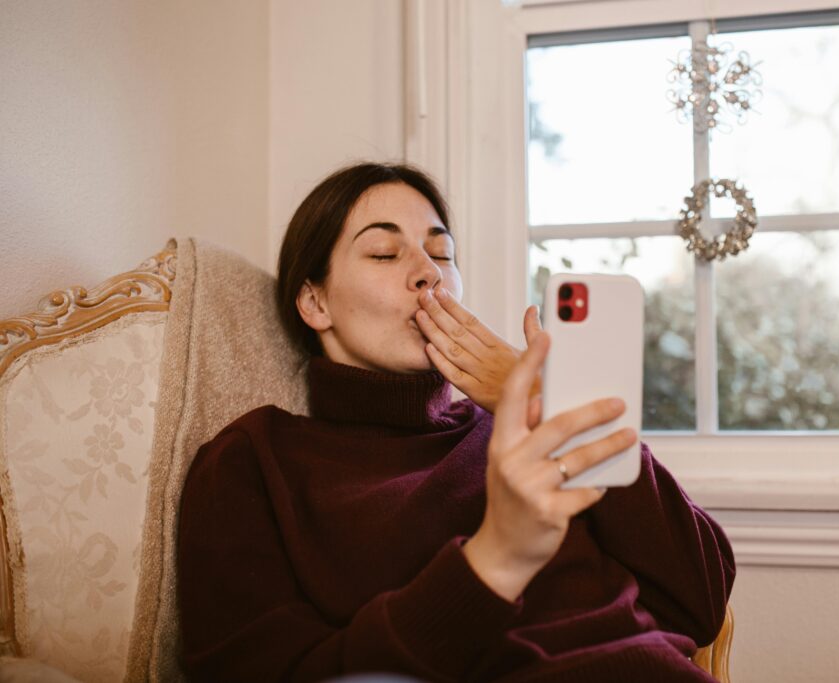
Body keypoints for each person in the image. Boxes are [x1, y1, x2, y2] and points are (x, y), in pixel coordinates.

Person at [176, 162, 735, 682]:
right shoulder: (255, 461)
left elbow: (702, 599)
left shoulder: (522, 428)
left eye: (441, 255)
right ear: (314, 302)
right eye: (383, 254)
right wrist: (496, 559)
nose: (428, 275)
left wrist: (556, 408)